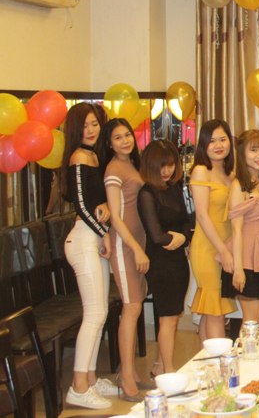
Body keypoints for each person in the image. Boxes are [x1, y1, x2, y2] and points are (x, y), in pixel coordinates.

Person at [60, 102, 117, 409]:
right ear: (75, 129)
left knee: (100, 313)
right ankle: (78, 386)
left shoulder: (94, 155)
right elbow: (82, 206)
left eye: (95, 124)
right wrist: (104, 232)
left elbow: (97, 199)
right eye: (85, 126)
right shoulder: (79, 157)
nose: (91, 130)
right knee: (94, 314)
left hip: (95, 239)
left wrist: (106, 210)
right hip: (84, 240)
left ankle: (91, 379)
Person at [100, 118, 150, 402]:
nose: (124, 141)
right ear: (109, 143)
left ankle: (129, 371)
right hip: (124, 245)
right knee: (131, 308)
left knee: (135, 305)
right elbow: (116, 219)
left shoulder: (132, 164)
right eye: (117, 137)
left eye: (127, 135)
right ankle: (126, 379)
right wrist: (136, 249)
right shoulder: (113, 169)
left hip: (138, 243)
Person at [138, 139, 192, 375]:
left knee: (172, 317)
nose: (167, 170)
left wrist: (183, 238)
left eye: (170, 164)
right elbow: (156, 235)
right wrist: (178, 238)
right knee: (167, 319)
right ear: (150, 165)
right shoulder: (146, 193)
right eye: (161, 165)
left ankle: (160, 366)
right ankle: (169, 372)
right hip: (161, 263)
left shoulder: (174, 188)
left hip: (178, 261)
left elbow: (186, 222)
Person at [221, 129, 259, 322]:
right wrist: (238, 269)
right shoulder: (239, 185)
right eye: (254, 150)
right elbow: (236, 229)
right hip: (246, 256)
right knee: (251, 321)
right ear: (242, 153)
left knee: (256, 320)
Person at [189, 119, 237, 340]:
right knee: (216, 310)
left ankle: (204, 357)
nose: (218, 145)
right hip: (208, 247)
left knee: (211, 310)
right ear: (203, 144)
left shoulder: (230, 174)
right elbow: (202, 215)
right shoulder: (201, 171)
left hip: (226, 244)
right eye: (212, 141)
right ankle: (218, 359)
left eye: (222, 139)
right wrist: (223, 250)